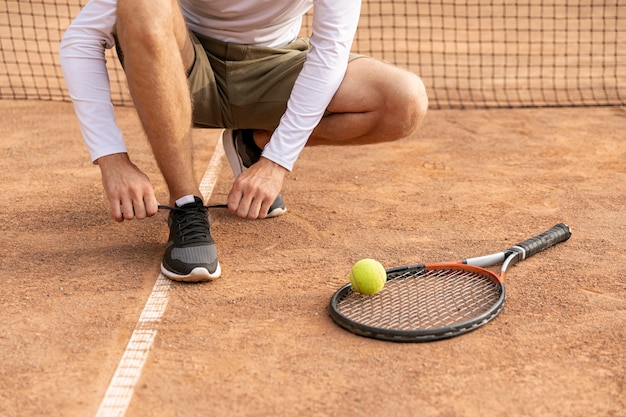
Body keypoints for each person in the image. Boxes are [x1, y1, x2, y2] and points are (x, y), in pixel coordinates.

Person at [59, 0, 428, 283]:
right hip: (183, 70)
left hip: (274, 69)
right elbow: (82, 37)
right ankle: (187, 205)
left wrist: (277, 160)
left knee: (404, 101)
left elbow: (328, 54)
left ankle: (255, 143)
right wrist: (112, 158)